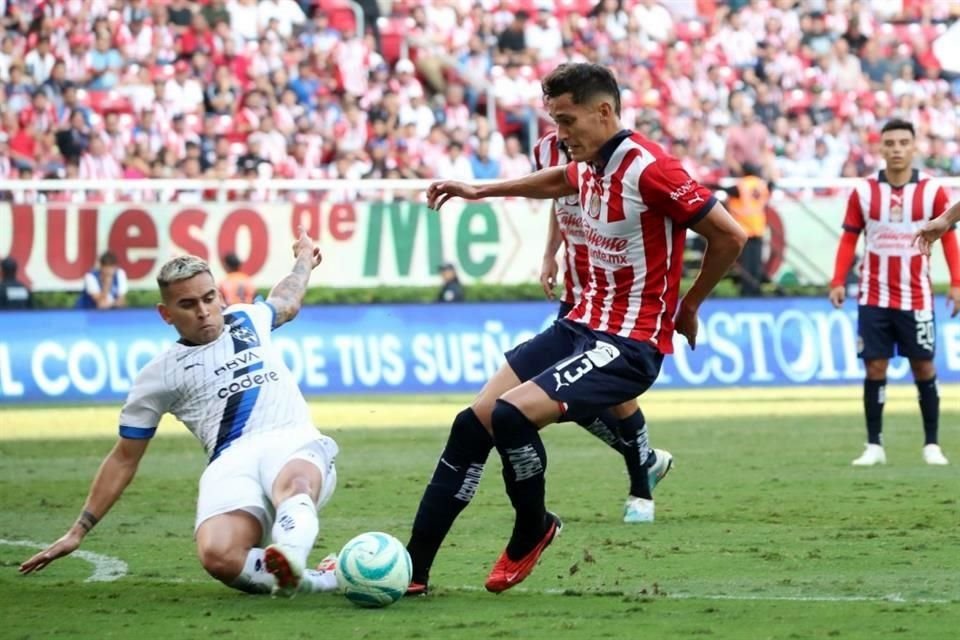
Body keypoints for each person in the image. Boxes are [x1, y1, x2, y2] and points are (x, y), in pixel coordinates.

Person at [409, 63, 745, 595]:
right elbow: (558, 181)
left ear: (604, 111)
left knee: (512, 415)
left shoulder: (649, 168)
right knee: (471, 424)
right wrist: (480, 190)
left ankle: (533, 529)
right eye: (554, 121)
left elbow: (730, 234)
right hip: (580, 324)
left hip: (629, 342)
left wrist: (689, 305)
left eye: (567, 121)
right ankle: (412, 572)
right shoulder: (588, 161)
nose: (559, 134)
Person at [21, 230, 341, 597]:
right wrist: (78, 530)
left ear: (220, 295)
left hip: (290, 438)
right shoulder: (158, 376)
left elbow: (287, 297)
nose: (204, 312)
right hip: (230, 461)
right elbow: (124, 458)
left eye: (209, 298)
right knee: (218, 555)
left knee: (294, 483)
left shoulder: (249, 319)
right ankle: (323, 579)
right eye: (188, 305)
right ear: (166, 314)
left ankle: (289, 554)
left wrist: (303, 257)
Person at [535, 129, 673, 524]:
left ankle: (641, 493)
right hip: (575, 294)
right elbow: (556, 195)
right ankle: (646, 460)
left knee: (616, 395)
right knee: (570, 399)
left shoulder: (611, 154)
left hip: (612, 297)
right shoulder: (545, 148)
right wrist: (550, 253)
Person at [829, 119, 960, 467]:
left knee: (924, 365)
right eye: (890, 143)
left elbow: (947, 235)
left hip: (917, 295)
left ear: (914, 146)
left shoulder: (933, 191)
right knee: (874, 366)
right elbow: (849, 237)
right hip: (873, 294)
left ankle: (931, 444)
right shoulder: (864, 191)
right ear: (881, 148)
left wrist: (958, 283)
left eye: (904, 142)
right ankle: (874, 445)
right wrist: (837, 280)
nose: (897, 149)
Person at [725, 163, 771, 297]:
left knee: (746, 264)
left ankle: (747, 290)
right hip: (758, 228)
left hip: (745, 230)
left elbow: (728, 191)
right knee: (756, 263)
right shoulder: (761, 185)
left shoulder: (742, 185)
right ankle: (756, 289)